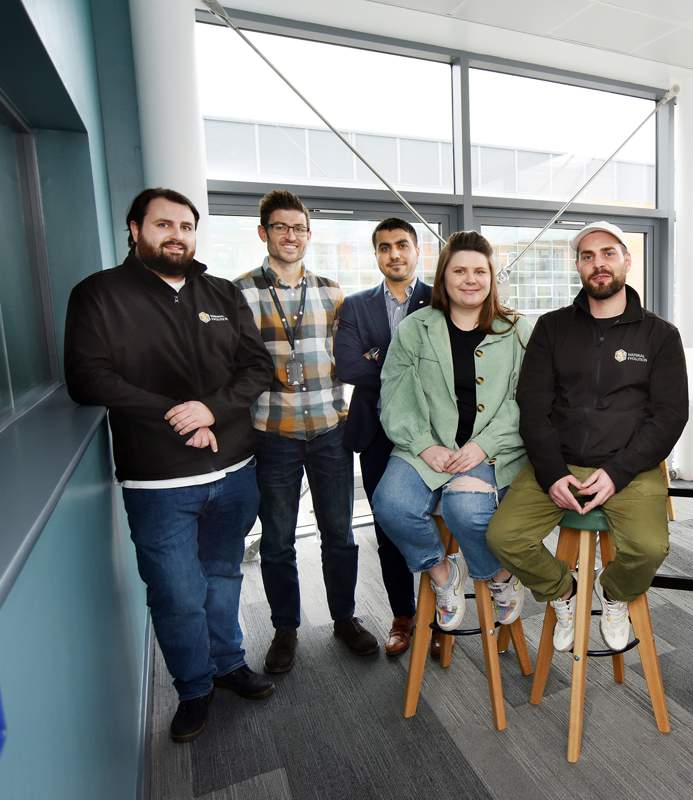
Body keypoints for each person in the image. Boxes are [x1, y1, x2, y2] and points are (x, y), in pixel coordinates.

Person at [64, 188, 275, 742]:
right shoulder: (98, 296)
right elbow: (88, 379)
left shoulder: (222, 293)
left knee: (224, 576)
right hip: (157, 481)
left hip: (234, 471)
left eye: (186, 225)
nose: (177, 235)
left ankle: (229, 664)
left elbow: (256, 369)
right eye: (164, 224)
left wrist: (213, 409)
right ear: (135, 229)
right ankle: (194, 689)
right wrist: (176, 415)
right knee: (177, 593)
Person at [486, 221, 688, 652]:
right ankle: (564, 593)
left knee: (650, 548)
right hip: (559, 462)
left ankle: (613, 593)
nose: (599, 264)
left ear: (626, 261)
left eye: (608, 254)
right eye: (588, 256)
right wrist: (552, 473)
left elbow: (670, 417)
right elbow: (533, 406)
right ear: (577, 266)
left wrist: (618, 472)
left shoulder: (660, 335)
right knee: (503, 537)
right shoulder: (552, 328)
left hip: (628, 467)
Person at [233, 189, 378, 675]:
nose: (290, 235)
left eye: (298, 228)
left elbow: (352, 356)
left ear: (309, 235)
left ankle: (344, 618)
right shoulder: (240, 293)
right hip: (273, 434)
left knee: (340, 535)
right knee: (276, 540)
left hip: (328, 433)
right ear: (263, 233)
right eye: (280, 227)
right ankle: (285, 628)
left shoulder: (332, 293)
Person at [371, 231, 531, 632]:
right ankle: (443, 574)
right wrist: (424, 446)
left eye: (480, 271)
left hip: (492, 449)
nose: (470, 279)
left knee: (468, 511)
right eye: (459, 270)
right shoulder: (414, 328)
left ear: (492, 278)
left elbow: (525, 400)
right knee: (391, 504)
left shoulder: (517, 329)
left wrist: (483, 446)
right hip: (424, 446)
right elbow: (394, 395)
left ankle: (499, 577)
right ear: (443, 278)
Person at [334, 218, 433, 657]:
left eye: (402, 245)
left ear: (417, 250)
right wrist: (407, 366)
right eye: (385, 247)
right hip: (375, 433)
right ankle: (403, 615)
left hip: (432, 434)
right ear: (376, 255)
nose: (394, 254)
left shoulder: (440, 299)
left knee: (434, 523)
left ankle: (438, 613)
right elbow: (349, 367)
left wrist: (380, 357)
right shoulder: (356, 306)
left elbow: (447, 368)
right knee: (387, 524)